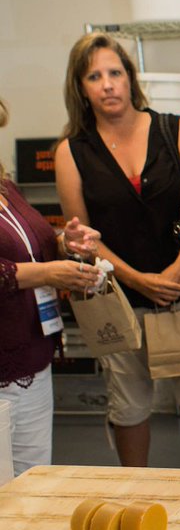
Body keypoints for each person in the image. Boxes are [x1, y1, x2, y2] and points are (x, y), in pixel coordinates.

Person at [54, 32, 180, 469]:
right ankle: (136, 494)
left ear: (130, 79)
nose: (108, 84)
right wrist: (136, 279)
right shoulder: (71, 153)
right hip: (118, 301)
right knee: (128, 408)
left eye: (115, 73)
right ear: (81, 87)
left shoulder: (173, 129)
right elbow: (85, 237)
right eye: (95, 76)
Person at [0, 97, 102, 475]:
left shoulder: (6, 188)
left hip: (33, 354)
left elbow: (31, 245)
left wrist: (64, 242)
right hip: (4, 364)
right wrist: (46, 274)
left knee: (32, 479)